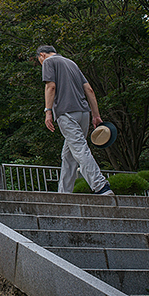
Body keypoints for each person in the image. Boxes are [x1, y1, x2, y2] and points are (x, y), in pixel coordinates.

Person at [35, 45, 113, 195]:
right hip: (84, 113)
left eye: (39, 60)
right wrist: (96, 116)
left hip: (66, 113)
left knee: (79, 149)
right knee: (68, 155)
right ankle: (64, 194)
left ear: (42, 55)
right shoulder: (72, 63)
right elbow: (89, 90)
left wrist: (48, 112)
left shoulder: (49, 62)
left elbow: (50, 87)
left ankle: (101, 186)